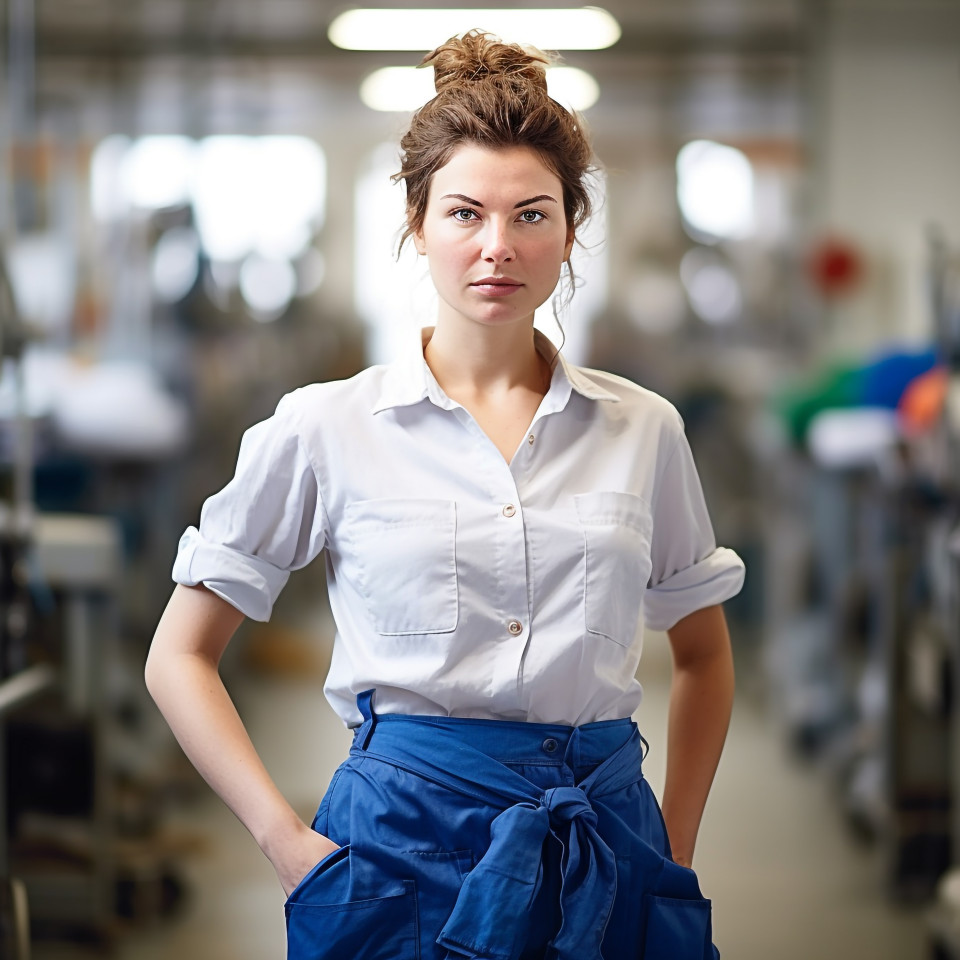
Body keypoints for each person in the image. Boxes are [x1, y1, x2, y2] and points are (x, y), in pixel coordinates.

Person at [145, 29, 745, 960]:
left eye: (532, 215)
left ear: (571, 229)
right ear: (417, 223)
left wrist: (672, 846)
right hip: (393, 850)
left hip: (604, 840)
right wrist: (288, 846)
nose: (497, 248)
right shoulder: (326, 426)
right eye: (465, 213)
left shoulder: (644, 429)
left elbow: (704, 657)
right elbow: (179, 655)